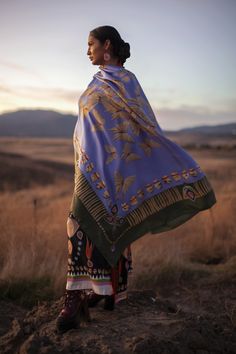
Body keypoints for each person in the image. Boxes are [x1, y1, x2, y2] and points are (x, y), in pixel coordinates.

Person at [56, 25, 217, 333]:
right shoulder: (97, 81)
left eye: (90, 44)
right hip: (92, 169)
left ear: (106, 45)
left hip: (117, 171)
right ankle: (103, 290)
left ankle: (75, 298)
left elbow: (145, 127)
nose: (86, 50)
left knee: (78, 222)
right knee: (90, 222)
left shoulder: (127, 82)